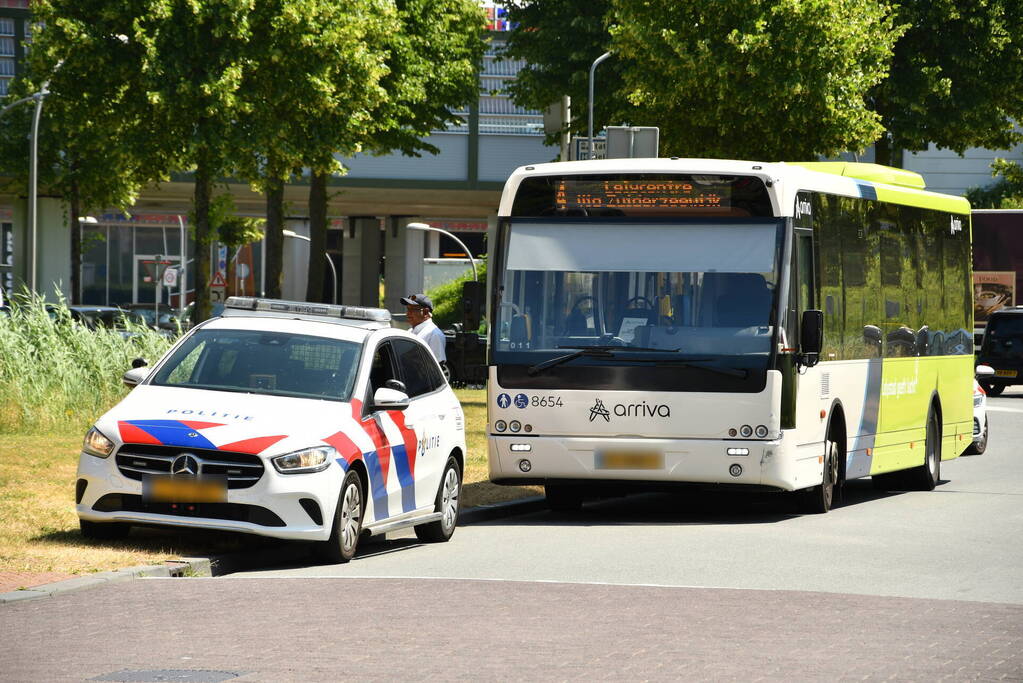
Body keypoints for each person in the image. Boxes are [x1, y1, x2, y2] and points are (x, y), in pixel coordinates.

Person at [401, 293, 448, 368]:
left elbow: (437, 367)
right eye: (407, 309)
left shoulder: (434, 334)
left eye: (412, 310)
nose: (407, 313)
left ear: (425, 312)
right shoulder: (410, 331)